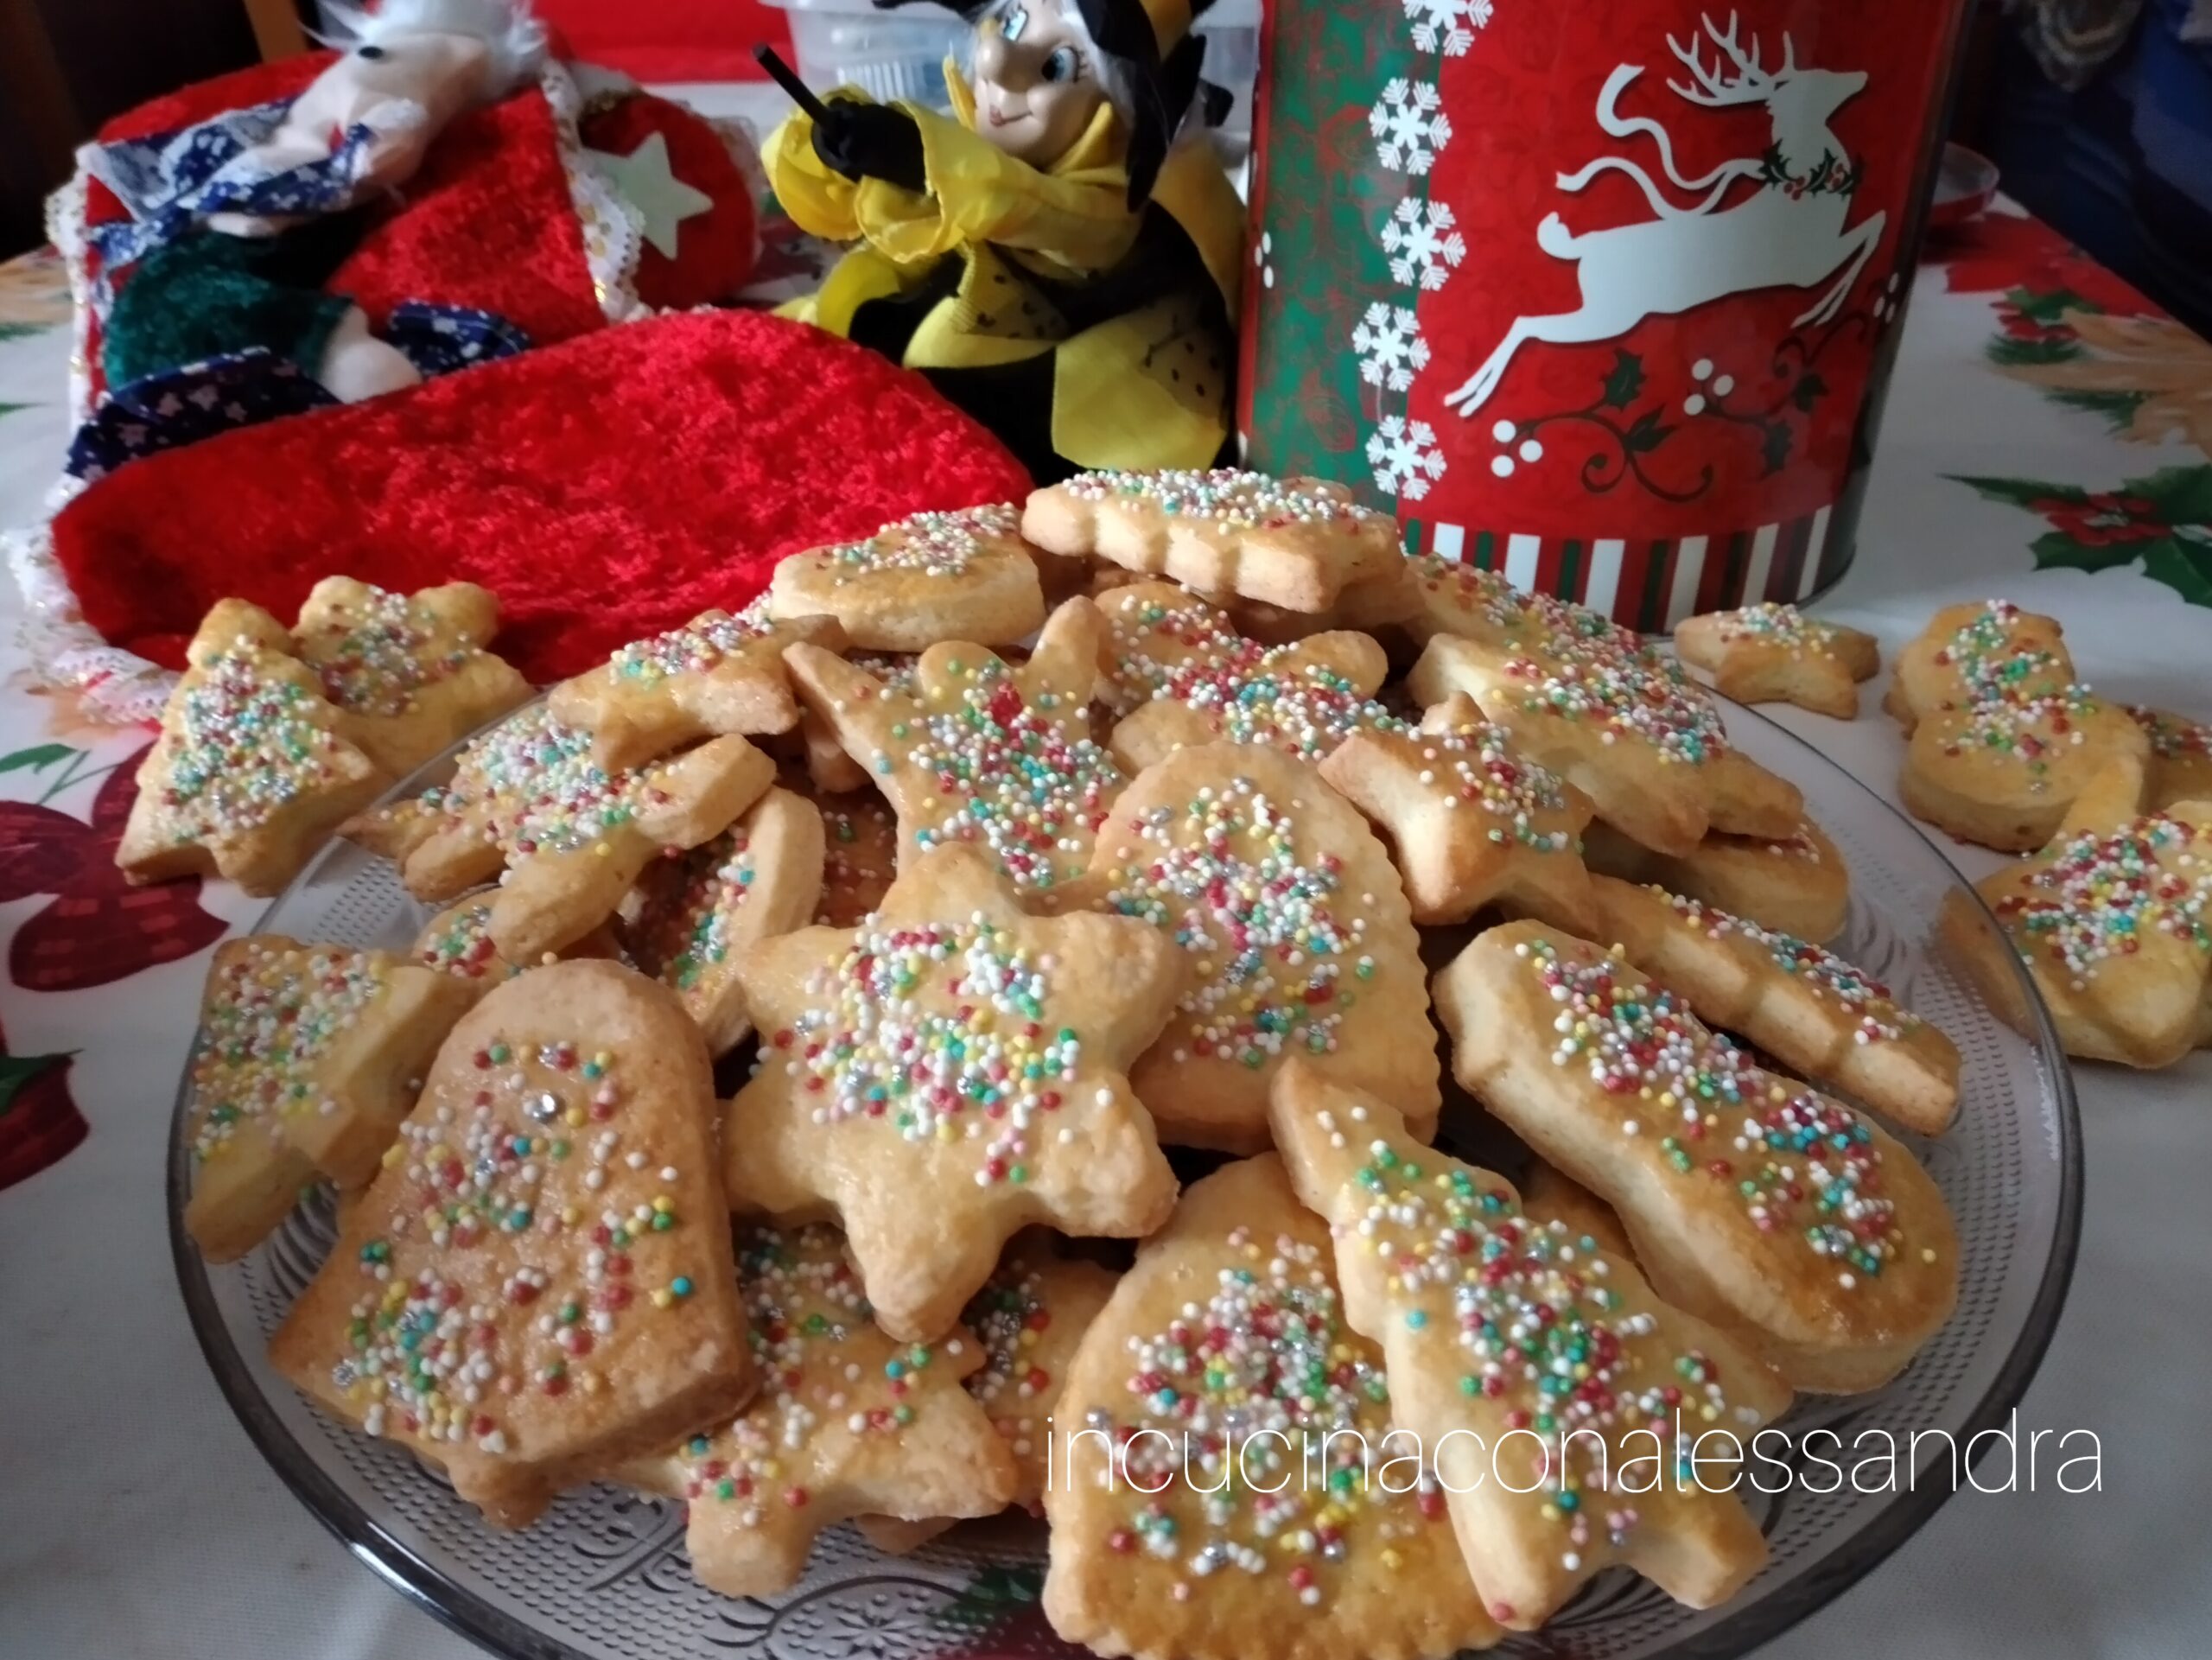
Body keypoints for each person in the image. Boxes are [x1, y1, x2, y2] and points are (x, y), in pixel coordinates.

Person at [762, 0, 1244, 482]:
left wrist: (920, 160)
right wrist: (850, 154)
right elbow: (949, 193)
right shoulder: (979, 139)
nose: (995, 56)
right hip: (960, 322)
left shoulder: (1117, 207)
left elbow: (1037, 208)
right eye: (1013, 20)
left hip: (1054, 396)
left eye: (1058, 65)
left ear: (1118, 112)